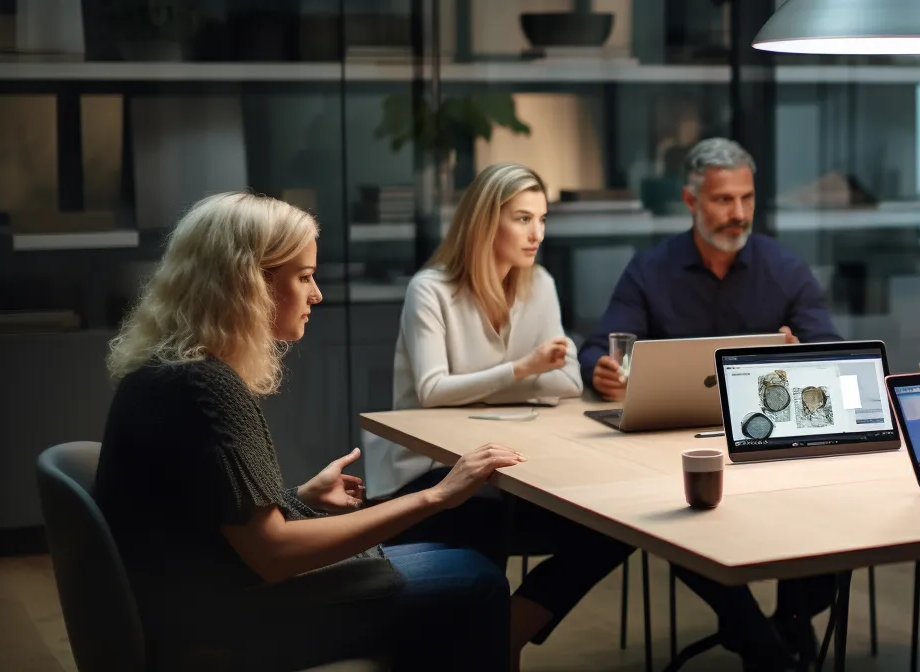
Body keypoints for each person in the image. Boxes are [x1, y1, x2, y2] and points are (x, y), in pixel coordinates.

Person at [96, 192, 521, 671]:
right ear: (248, 284)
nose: (316, 294)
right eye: (303, 277)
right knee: (476, 577)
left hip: (192, 600)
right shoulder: (206, 386)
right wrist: (438, 496)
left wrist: (300, 497)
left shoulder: (163, 371)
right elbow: (273, 554)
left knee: (448, 553)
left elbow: (205, 515)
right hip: (224, 619)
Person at [582, 137, 844, 668]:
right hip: (674, 450)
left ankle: (788, 623)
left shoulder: (785, 269)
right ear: (691, 201)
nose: (739, 214)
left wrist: (802, 362)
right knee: (688, 525)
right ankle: (761, 645)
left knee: (834, 517)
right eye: (724, 200)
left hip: (769, 441)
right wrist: (601, 372)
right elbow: (598, 347)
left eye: (747, 199)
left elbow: (835, 357)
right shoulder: (650, 270)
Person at [360, 164, 635, 660]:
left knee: (619, 523)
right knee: (477, 526)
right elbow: (431, 391)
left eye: (543, 219)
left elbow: (569, 383)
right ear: (487, 222)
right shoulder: (431, 289)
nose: (537, 234)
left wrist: (494, 382)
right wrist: (523, 369)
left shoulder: (540, 284)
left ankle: (510, 630)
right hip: (428, 474)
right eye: (523, 219)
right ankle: (481, 646)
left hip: (504, 471)